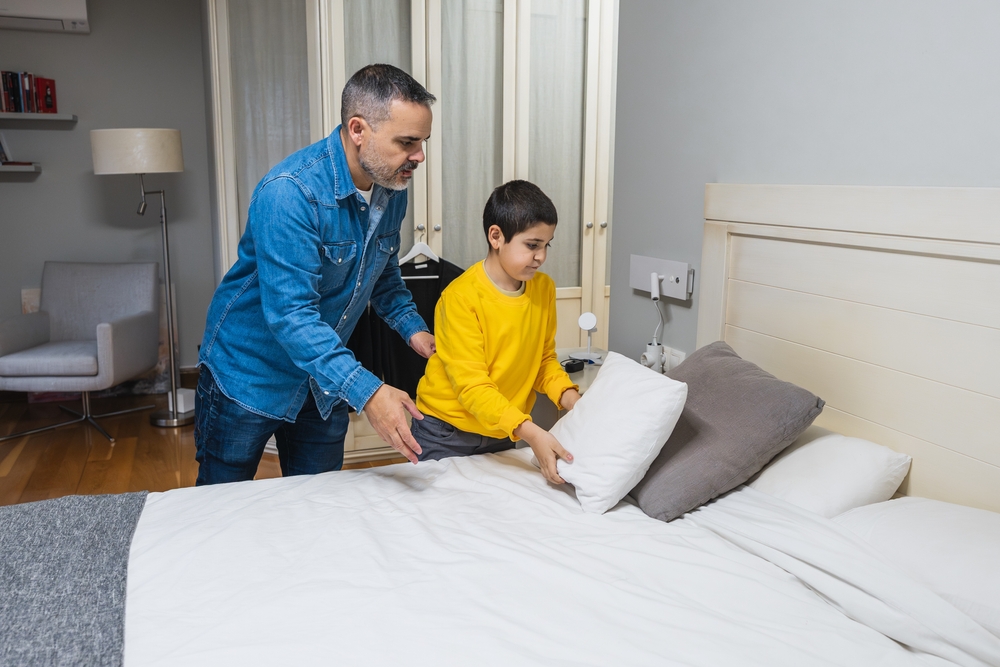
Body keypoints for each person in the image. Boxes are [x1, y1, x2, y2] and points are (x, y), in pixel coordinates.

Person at [195, 64, 436, 485]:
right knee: (221, 502)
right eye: (407, 142)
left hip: (324, 378)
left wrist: (415, 330)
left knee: (320, 502)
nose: (419, 156)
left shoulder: (391, 186)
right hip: (249, 375)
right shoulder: (289, 192)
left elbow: (381, 273)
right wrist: (369, 392)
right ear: (358, 130)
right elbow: (292, 316)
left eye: (422, 142)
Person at [412, 180, 582, 485]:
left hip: (502, 427)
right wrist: (531, 432)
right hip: (445, 432)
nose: (541, 256)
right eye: (532, 245)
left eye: (547, 245)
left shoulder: (543, 289)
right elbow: (473, 387)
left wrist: (571, 399)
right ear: (496, 236)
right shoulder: (460, 298)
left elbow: (543, 361)